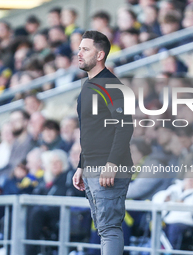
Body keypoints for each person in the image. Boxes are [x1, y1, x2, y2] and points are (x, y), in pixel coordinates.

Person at [72, 30, 134, 255]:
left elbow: (125, 126)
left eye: (85, 49)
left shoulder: (110, 84)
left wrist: (112, 164)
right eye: (79, 48)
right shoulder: (88, 86)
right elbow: (91, 132)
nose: (79, 53)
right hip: (92, 167)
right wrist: (81, 164)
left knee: (109, 229)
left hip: (107, 168)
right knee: (103, 228)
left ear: (99, 55)